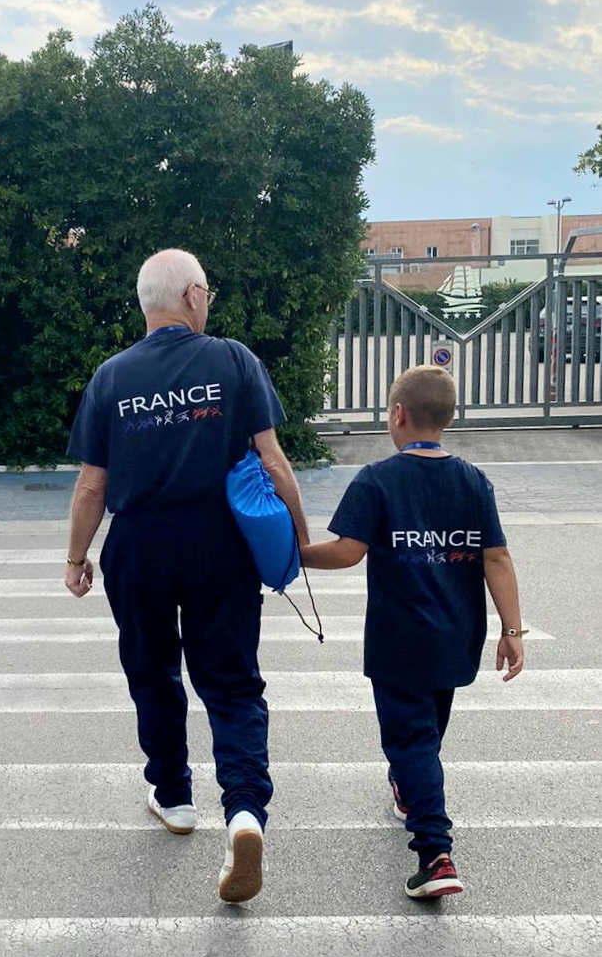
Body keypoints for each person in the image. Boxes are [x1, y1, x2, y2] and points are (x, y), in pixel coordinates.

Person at [64, 248, 310, 904]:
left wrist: (76, 558)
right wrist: (299, 534)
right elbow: (272, 460)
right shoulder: (233, 360)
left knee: (152, 672)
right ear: (194, 296)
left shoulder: (111, 377)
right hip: (219, 543)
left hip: (139, 546)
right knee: (231, 683)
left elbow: (91, 486)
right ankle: (245, 811)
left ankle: (173, 796)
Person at [300, 364, 525, 900]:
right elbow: (496, 557)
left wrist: (291, 555)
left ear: (397, 414)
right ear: (449, 418)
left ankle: (435, 854)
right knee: (425, 735)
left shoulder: (378, 479)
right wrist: (512, 630)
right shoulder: (473, 480)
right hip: (456, 636)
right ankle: (408, 785)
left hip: (399, 639)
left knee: (411, 740)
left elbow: (347, 552)